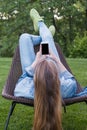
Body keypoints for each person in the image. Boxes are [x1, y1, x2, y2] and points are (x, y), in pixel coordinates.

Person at [14, 8, 78, 130]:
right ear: (58, 79)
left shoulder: (26, 89)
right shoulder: (66, 88)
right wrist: (54, 59)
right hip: (48, 68)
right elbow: (71, 79)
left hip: (33, 74)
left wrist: (36, 63)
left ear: (36, 79)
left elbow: (23, 79)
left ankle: (44, 32)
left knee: (24, 37)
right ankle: (44, 32)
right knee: (46, 43)